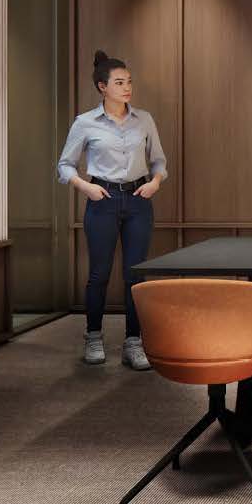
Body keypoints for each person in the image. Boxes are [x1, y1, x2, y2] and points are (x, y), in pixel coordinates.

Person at [57, 50, 168, 370]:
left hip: (138, 201)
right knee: (99, 274)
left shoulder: (144, 119)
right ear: (102, 87)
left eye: (129, 82)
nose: (127, 87)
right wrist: (86, 187)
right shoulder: (85, 123)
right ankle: (93, 337)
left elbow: (159, 159)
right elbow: (64, 166)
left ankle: (134, 343)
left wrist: (156, 181)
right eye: (119, 82)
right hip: (101, 200)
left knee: (136, 275)